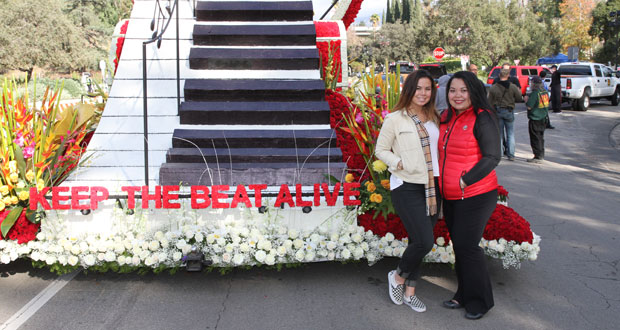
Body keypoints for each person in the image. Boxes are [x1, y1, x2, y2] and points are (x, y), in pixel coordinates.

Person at [376, 69, 441, 313]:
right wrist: (399, 163)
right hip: (407, 185)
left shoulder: (434, 116)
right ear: (409, 90)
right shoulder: (395, 119)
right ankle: (398, 277)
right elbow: (381, 150)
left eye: (427, 89)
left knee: (417, 241)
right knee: (425, 241)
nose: (423, 93)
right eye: (419, 88)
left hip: (433, 186)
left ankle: (410, 292)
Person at [439, 71, 500, 320]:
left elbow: (492, 157)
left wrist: (465, 180)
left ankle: (480, 301)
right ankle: (463, 294)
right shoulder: (447, 117)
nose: (457, 95)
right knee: (460, 247)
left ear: (473, 91)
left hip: (475, 194)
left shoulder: (482, 118)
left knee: (467, 246)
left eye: (463, 90)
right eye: (453, 90)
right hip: (451, 196)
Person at [487, 69, 522, 161]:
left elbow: (489, 101)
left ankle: (500, 154)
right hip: (509, 111)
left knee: (499, 133)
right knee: (510, 133)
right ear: (508, 76)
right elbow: (519, 98)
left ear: (499, 75)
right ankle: (511, 155)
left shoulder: (494, 87)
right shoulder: (513, 87)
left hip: (498, 111)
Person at [525, 76, 549, 163]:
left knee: (535, 138)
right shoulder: (544, 92)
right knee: (540, 137)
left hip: (535, 118)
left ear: (534, 84)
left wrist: (526, 100)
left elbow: (529, 107)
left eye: (531, 83)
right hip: (543, 117)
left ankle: (537, 156)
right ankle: (541, 154)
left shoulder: (535, 93)